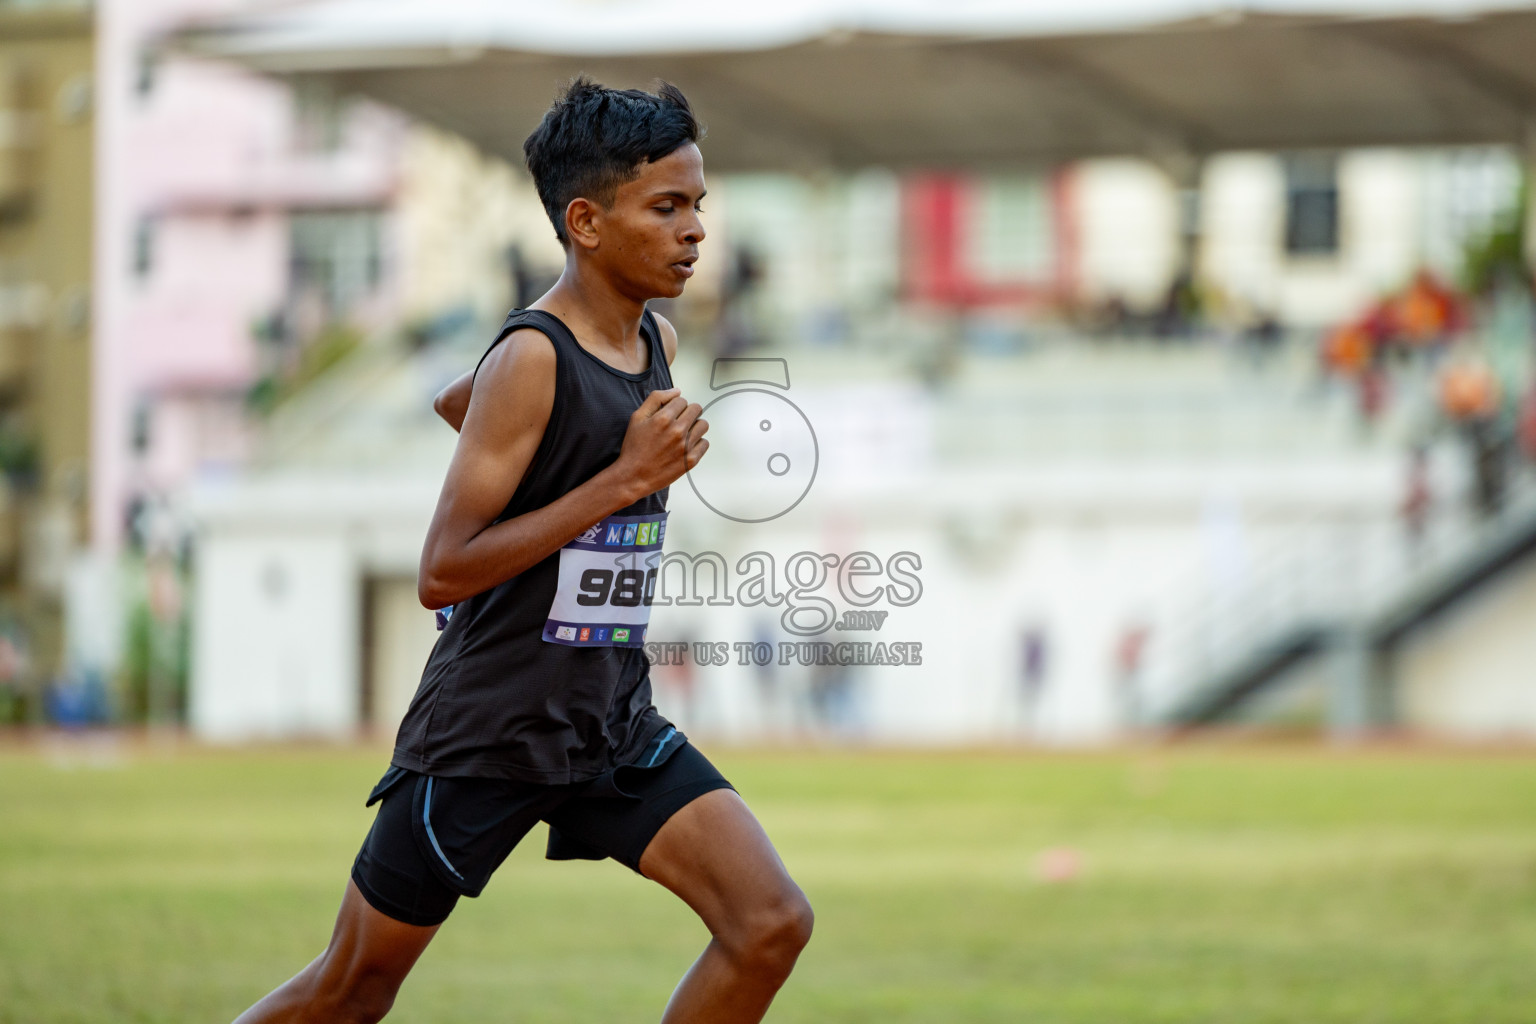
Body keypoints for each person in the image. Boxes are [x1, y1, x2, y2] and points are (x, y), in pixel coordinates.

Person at [233, 78, 813, 1024]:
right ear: (585, 221)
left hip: (606, 722)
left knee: (770, 922)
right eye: (666, 207)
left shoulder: (652, 338)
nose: (695, 231)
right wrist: (619, 481)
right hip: (487, 732)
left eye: (697, 205)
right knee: (352, 988)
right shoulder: (532, 355)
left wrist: (531, 437)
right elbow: (441, 571)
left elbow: (456, 402)